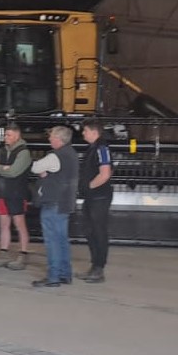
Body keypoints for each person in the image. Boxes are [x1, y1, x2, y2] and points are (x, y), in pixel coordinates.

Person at [30, 125, 79, 288]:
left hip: (53, 202)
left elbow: (35, 167)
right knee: (62, 240)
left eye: (51, 136)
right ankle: (65, 274)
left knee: (52, 242)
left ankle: (53, 276)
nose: (49, 138)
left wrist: (44, 173)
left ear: (58, 139)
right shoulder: (72, 154)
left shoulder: (55, 156)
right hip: (66, 202)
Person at [0, 123, 32, 270]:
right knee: (4, 224)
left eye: (9, 135)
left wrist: (0, 168)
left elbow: (14, 172)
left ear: (17, 136)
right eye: (5, 135)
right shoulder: (2, 150)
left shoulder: (24, 153)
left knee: (19, 224)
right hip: (2, 193)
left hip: (17, 194)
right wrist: (5, 168)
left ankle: (23, 254)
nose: (5, 137)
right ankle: (3, 253)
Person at [78, 120, 114, 283]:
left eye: (85, 130)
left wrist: (89, 187)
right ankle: (94, 266)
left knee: (98, 232)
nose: (83, 133)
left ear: (94, 132)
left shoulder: (101, 148)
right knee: (90, 231)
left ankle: (99, 268)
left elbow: (105, 174)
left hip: (99, 197)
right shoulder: (93, 148)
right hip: (92, 197)